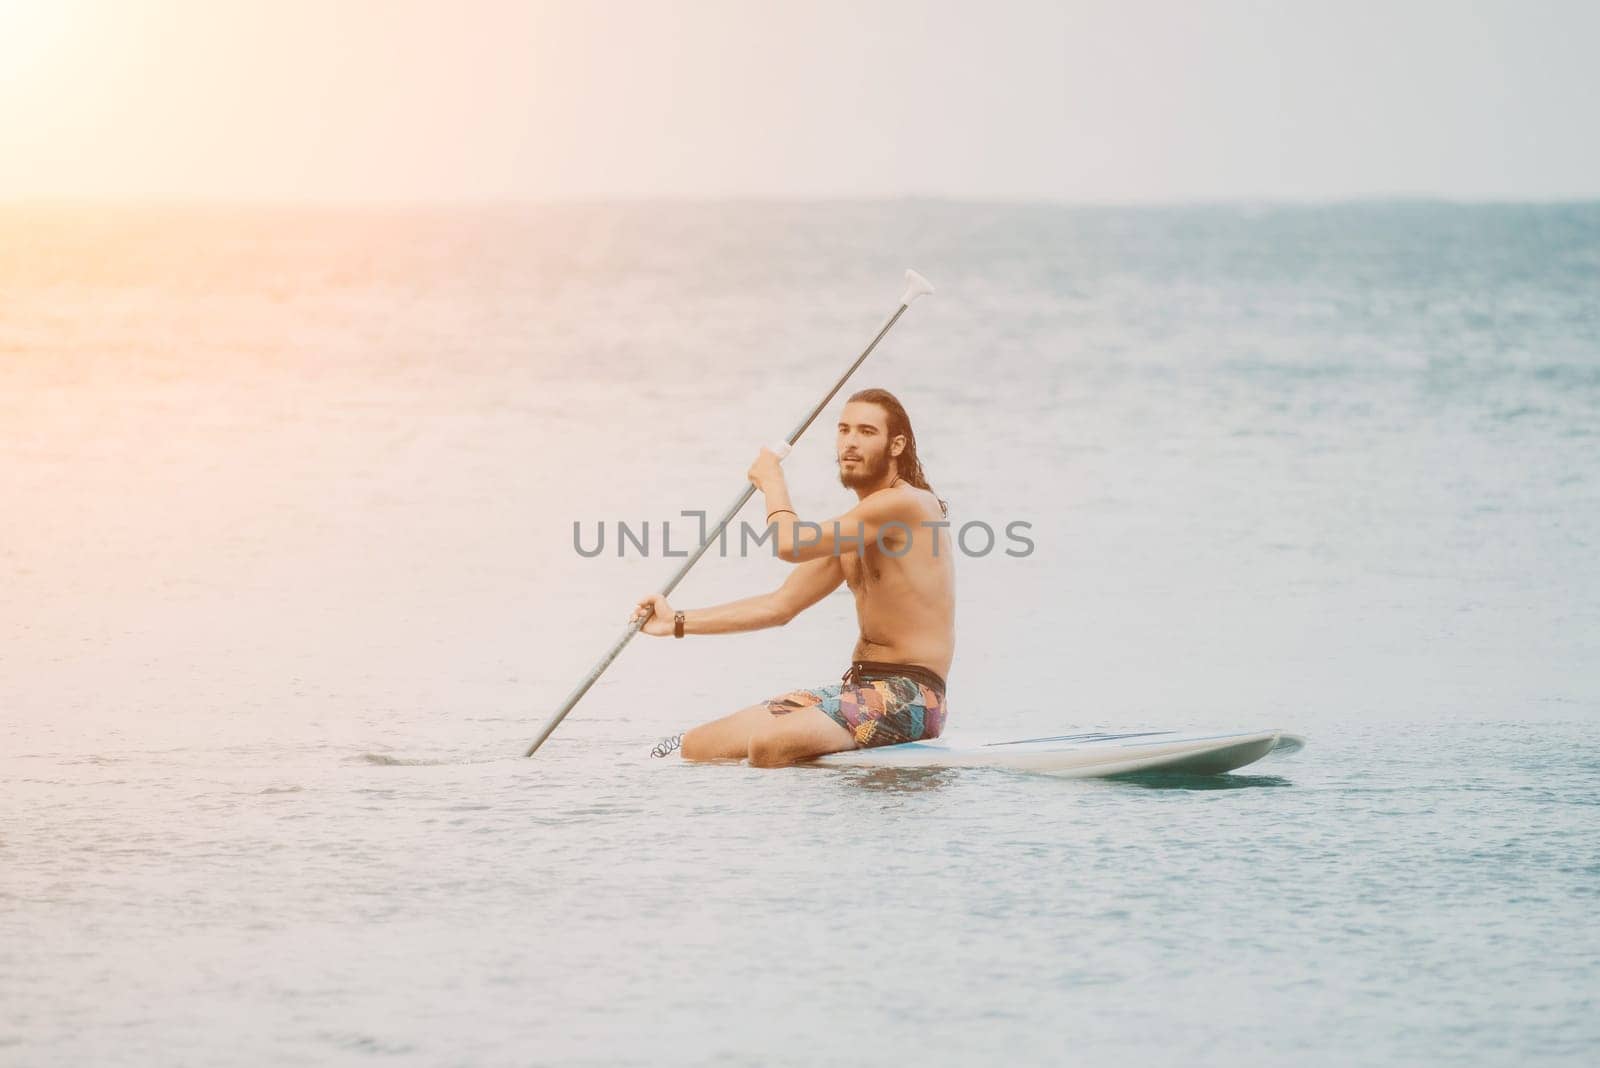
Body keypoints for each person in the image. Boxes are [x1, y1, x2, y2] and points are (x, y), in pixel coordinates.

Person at [632, 388, 955, 767]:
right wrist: (677, 622)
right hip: (859, 689)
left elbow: (790, 545)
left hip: (913, 696)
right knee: (700, 746)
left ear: (896, 444)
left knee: (768, 744)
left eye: (867, 432)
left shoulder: (906, 504)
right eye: (844, 430)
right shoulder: (859, 526)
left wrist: (772, 481)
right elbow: (779, 605)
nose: (850, 443)